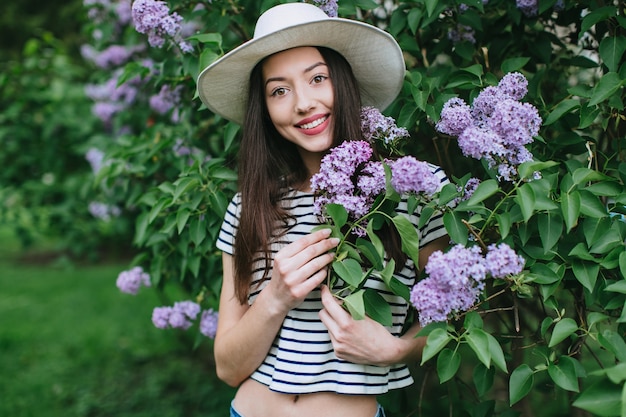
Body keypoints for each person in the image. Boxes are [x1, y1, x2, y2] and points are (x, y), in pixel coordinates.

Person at [196, 3, 449, 416]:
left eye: (317, 78)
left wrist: (398, 349)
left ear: (343, 82)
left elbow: (457, 306)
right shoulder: (250, 206)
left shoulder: (411, 189)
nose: (302, 103)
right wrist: (275, 296)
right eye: (279, 90)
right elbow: (228, 366)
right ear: (265, 109)